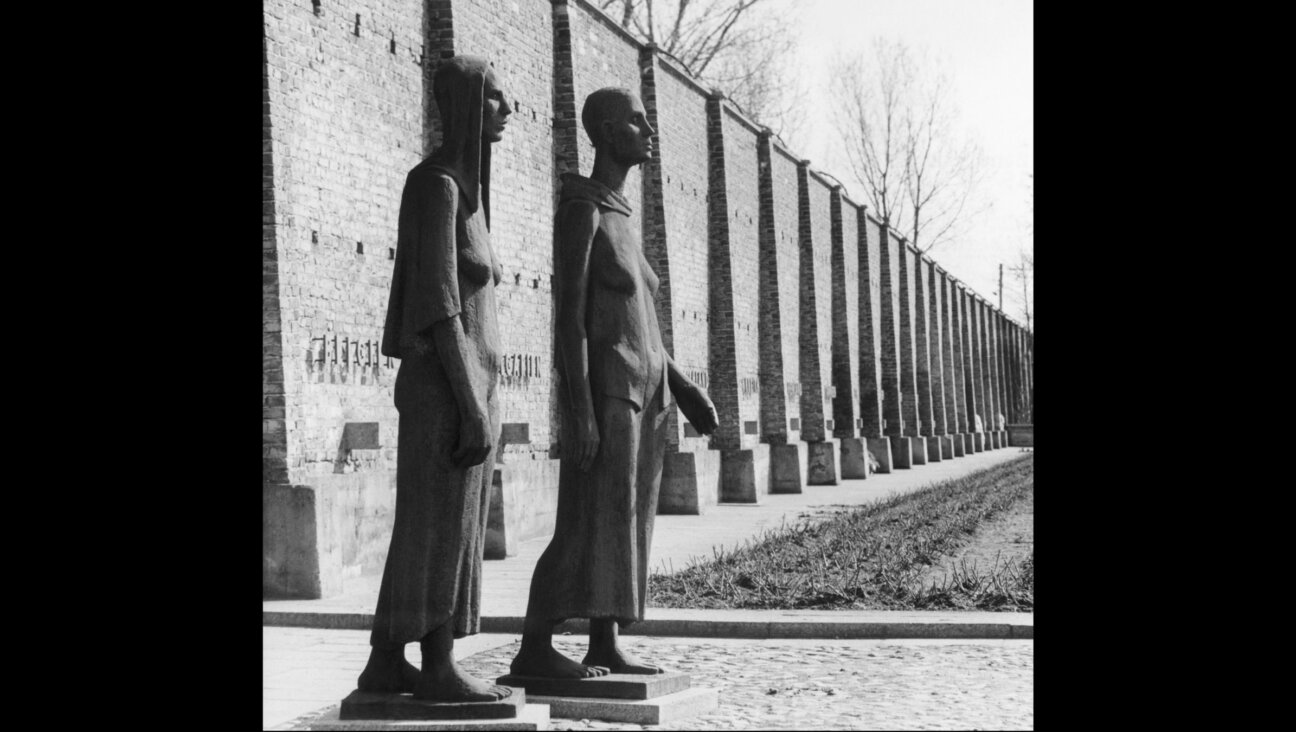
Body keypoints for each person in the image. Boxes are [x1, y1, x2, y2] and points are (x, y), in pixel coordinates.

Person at [509, 87, 719, 679]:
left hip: (647, 395)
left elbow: (643, 321)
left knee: (627, 522)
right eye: (636, 121)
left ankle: (604, 641)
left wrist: (683, 386)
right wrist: (577, 411)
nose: (649, 130)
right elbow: (569, 320)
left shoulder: (621, 214)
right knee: (588, 521)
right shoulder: (582, 211)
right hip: (608, 395)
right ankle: (533, 647)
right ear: (603, 132)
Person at [356, 55, 513, 703]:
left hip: (469, 390)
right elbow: (438, 304)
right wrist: (472, 402)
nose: (508, 111)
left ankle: (386, 664)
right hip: (444, 393)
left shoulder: (468, 197)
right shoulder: (436, 187)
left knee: (446, 527)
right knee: (436, 528)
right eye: (498, 99)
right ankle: (438, 665)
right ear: (472, 105)